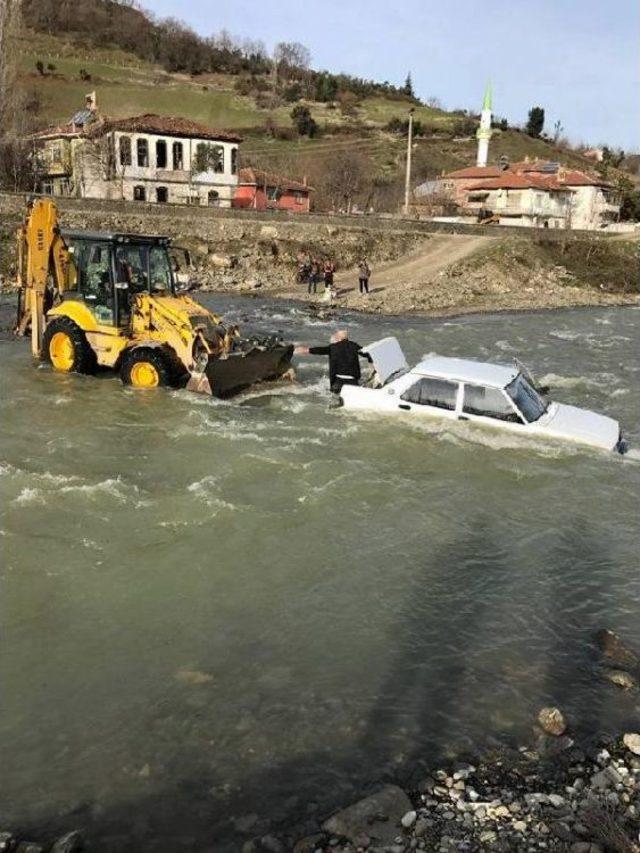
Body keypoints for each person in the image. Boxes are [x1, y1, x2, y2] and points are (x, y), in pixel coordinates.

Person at [294, 330, 371, 394]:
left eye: (336, 337)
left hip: (338, 383)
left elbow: (321, 350)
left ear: (338, 338)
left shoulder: (333, 347)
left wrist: (307, 350)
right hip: (353, 383)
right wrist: (372, 364)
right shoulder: (354, 346)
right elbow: (367, 353)